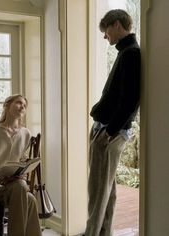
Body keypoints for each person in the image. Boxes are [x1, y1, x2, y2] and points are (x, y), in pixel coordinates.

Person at [84, 9, 141, 236]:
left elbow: (130, 99)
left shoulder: (131, 53)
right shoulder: (126, 52)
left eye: (106, 31)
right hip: (107, 129)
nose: (105, 37)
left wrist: (110, 131)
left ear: (116, 25)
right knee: (106, 190)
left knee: (98, 191)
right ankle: (102, 233)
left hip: (109, 132)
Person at [0, 94, 42, 236]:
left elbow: (22, 161)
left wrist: (21, 174)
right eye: (18, 103)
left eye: (24, 105)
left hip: (15, 185)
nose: (22, 107)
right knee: (22, 190)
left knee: (30, 199)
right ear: (7, 105)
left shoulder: (25, 133)